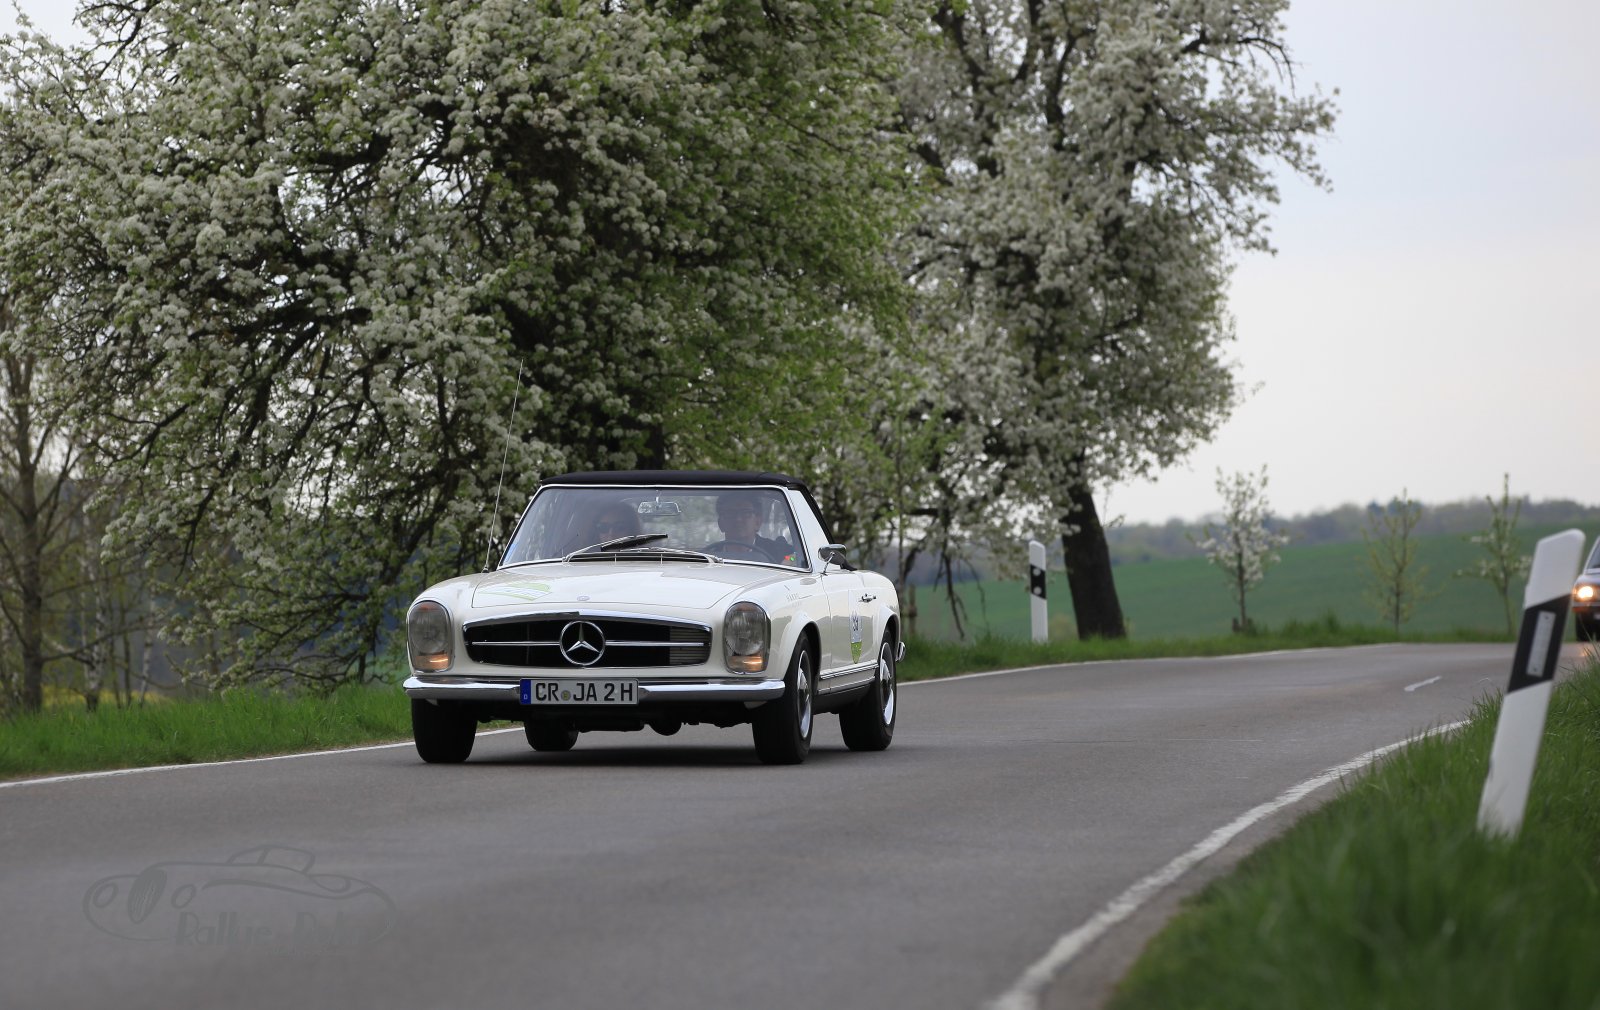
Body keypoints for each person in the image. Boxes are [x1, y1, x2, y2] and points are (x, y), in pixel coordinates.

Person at [710, 491, 793, 563]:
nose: (738, 519)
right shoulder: (709, 555)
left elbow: (795, 556)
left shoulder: (776, 551)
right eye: (730, 513)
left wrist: (789, 560)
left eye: (746, 513)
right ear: (721, 524)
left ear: (758, 522)